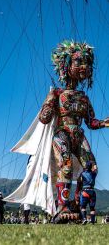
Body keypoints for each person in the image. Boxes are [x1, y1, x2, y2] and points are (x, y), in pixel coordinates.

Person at [38, 41, 109, 215]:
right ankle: (62, 206)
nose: (83, 66)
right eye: (78, 62)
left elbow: (91, 122)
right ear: (66, 65)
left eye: (86, 62)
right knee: (67, 166)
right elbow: (44, 118)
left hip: (78, 134)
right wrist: (48, 106)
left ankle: (77, 202)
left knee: (92, 168)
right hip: (62, 133)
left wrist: (104, 122)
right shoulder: (57, 93)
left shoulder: (83, 97)